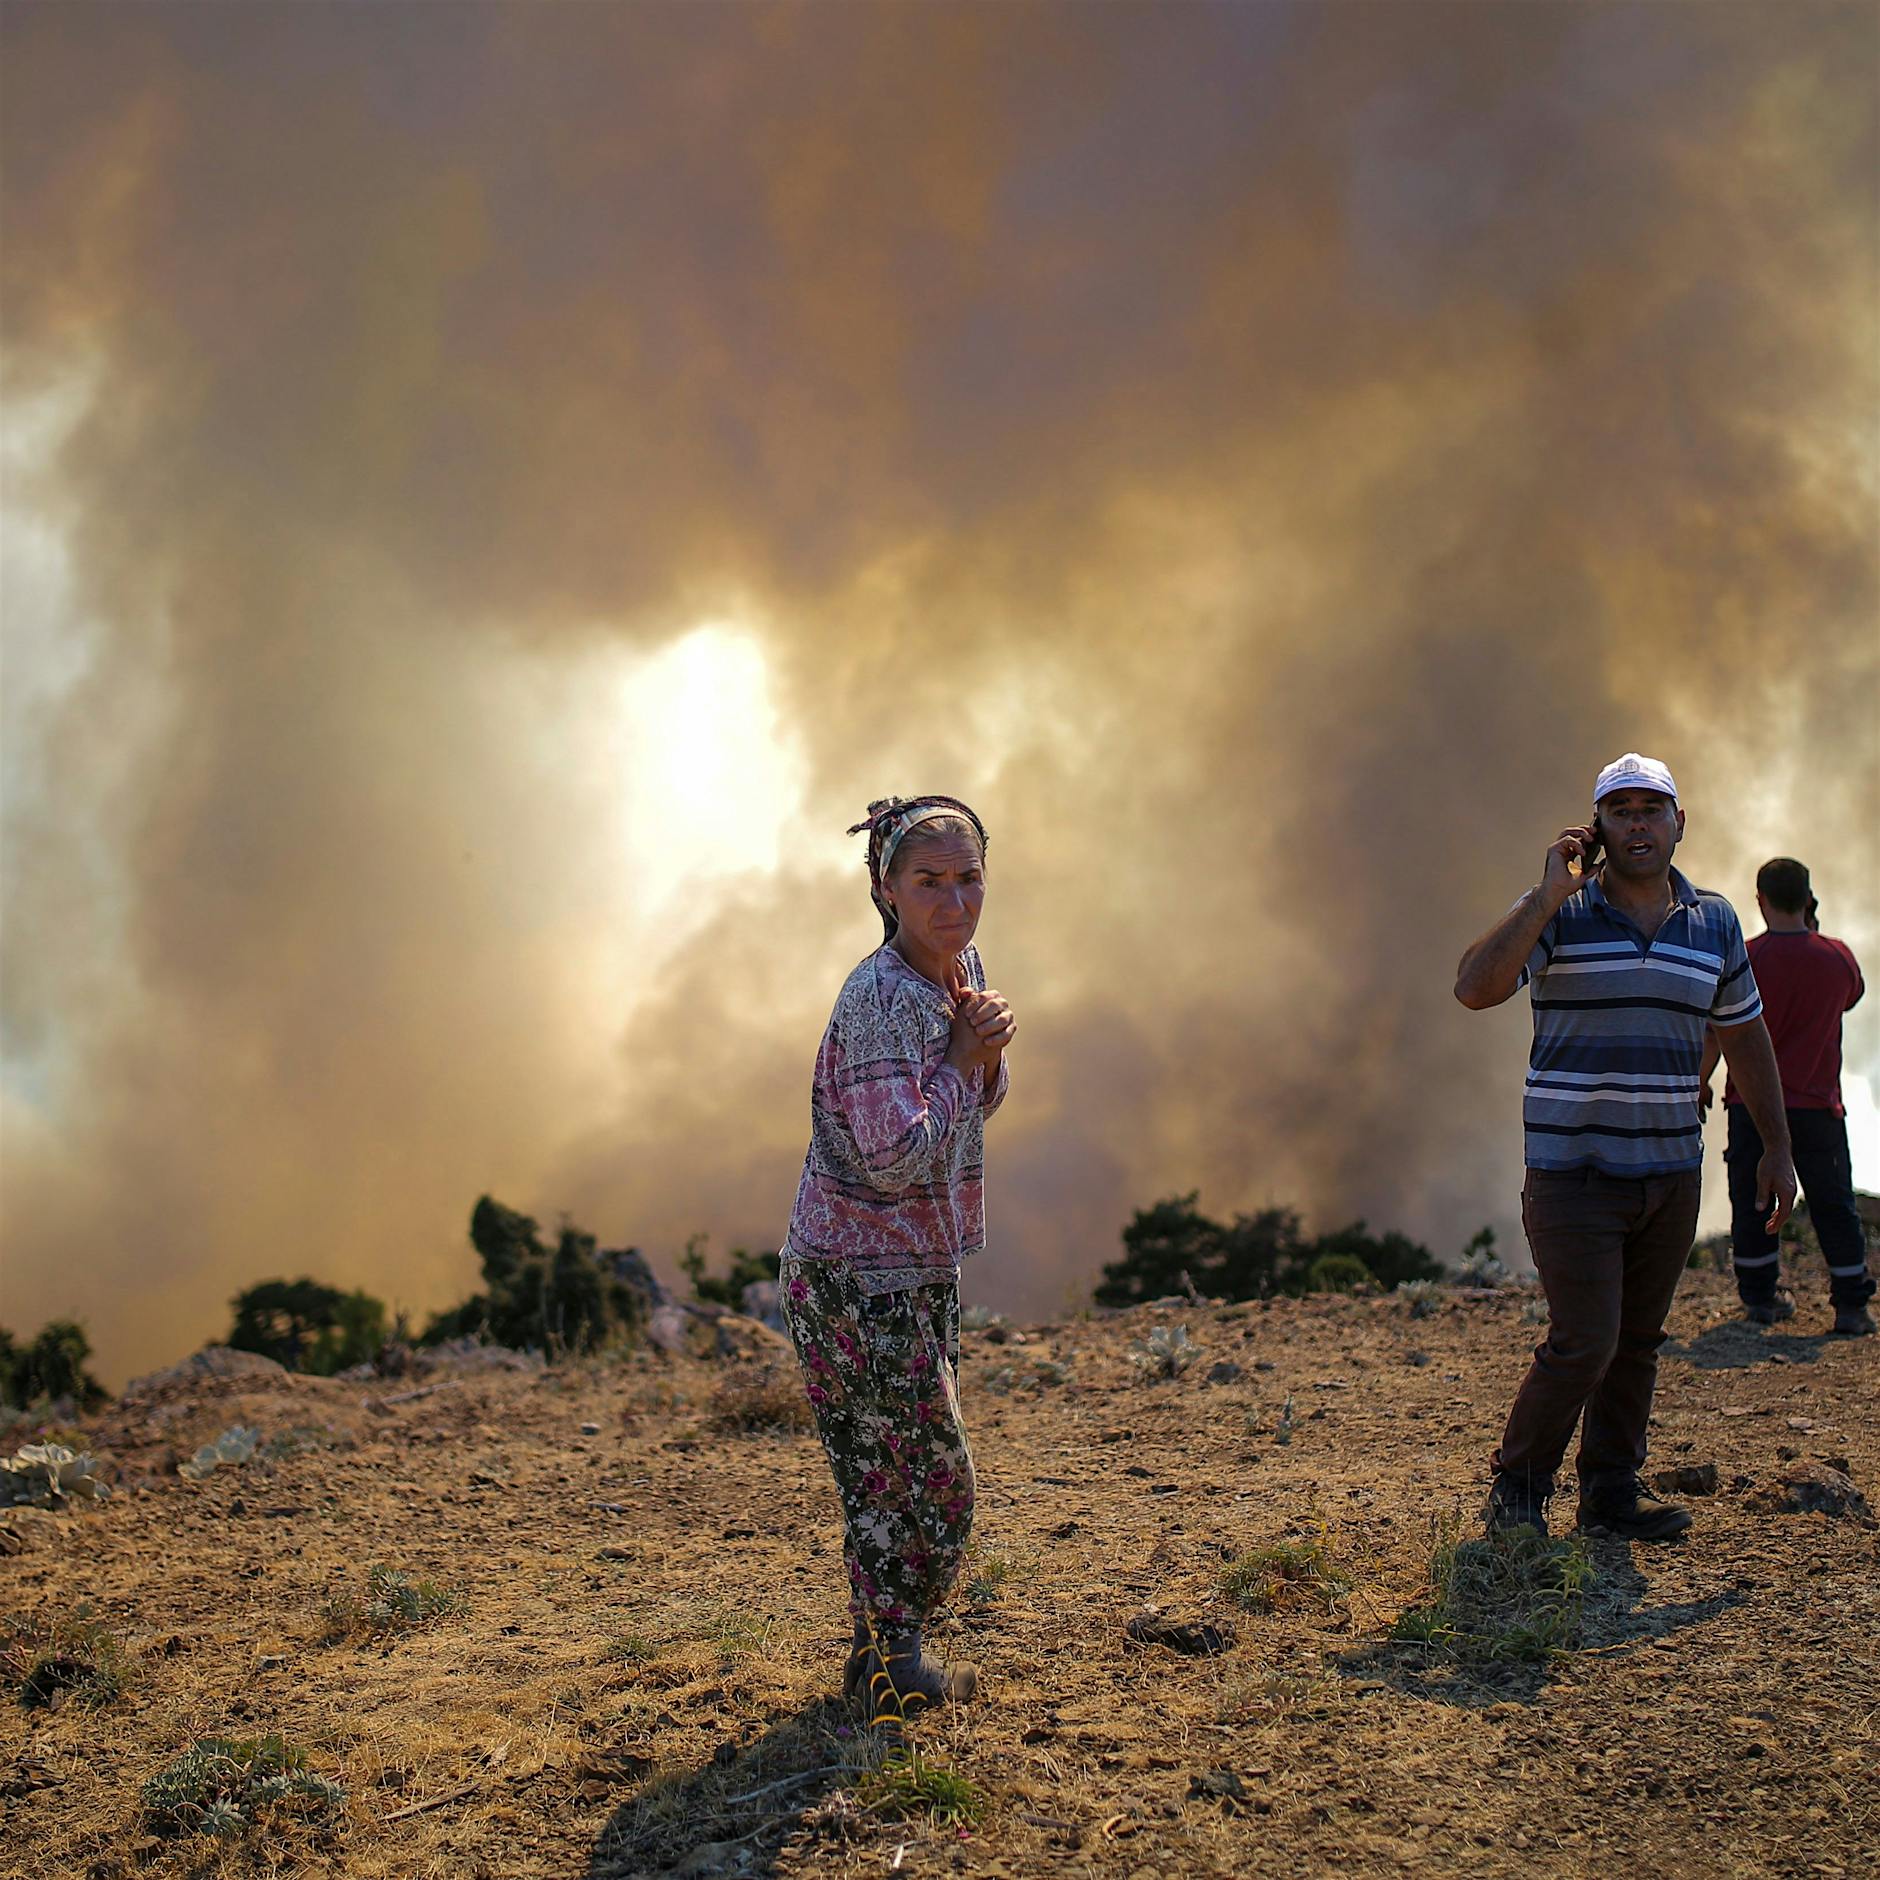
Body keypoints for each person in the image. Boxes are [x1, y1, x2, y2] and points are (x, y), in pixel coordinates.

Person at [1454, 753, 1798, 1542]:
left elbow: (1746, 1039)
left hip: (1671, 1171)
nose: (1638, 824)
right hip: (1573, 1172)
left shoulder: (1713, 924)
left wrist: (1777, 1148)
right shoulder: (1559, 915)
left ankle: (1610, 1491)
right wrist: (1544, 896)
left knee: (1638, 1342)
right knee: (1587, 1340)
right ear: (1595, 828)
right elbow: (1475, 986)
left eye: (1653, 809)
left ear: (1681, 823)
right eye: (1622, 811)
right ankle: (1517, 1490)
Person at [779, 794, 1015, 1711]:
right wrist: (962, 1062)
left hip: (912, 1272)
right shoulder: (881, 999)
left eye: (968, 878)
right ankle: (891, 1658)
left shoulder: (958, 967)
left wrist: (984, 1056)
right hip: (854, 1281)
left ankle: (880, 1666)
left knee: (892, 1481)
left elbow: (970, 1109)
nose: (953, 901)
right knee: (935, 1489)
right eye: (928, 881)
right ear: (885, 889)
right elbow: (892, 1160)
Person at [1699, 858, 1872, 1334]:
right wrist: (1814, 933)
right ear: (1807, 897)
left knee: (1754, 1201)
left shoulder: (1745, 960)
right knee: (1833, 1202)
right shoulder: (1837, 958)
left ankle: (1760, 1299)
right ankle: (1852, 1306)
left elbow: (1717, 1031)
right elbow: (1849, 997)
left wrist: (1700, 1080)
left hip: (1750, 1104)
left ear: (1761, 900)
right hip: (1817, 1107)